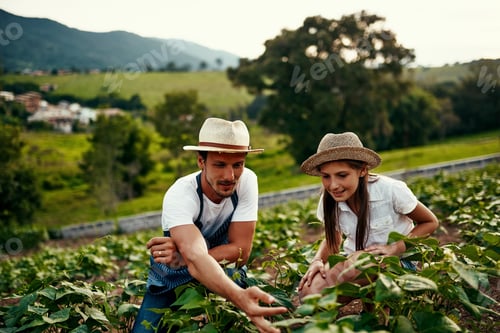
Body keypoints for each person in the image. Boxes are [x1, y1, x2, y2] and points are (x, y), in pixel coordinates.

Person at [132, 118, 287, 333]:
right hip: (172, 276)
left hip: (215, 270)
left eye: (238, 165)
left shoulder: (248, 181)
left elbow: (242, 253)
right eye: (219, 165)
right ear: (201, 162)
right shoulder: (181, 194)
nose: (230, 176)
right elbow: (198, 257)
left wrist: (183, 257)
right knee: (144, 330)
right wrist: (194, 259)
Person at [297, 132, 439, 300]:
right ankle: (369, 305)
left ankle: (386, 305)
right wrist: (317, 260)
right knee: (309, 292)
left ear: (363, 170)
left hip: (399, 264)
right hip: (356, 264)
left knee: (360, 262)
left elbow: (430, 222)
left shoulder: (390, 190)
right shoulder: (329, 201)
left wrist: (394, 248)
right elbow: (333, 239)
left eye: (342, 175)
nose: (333, 185)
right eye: (326, 176)